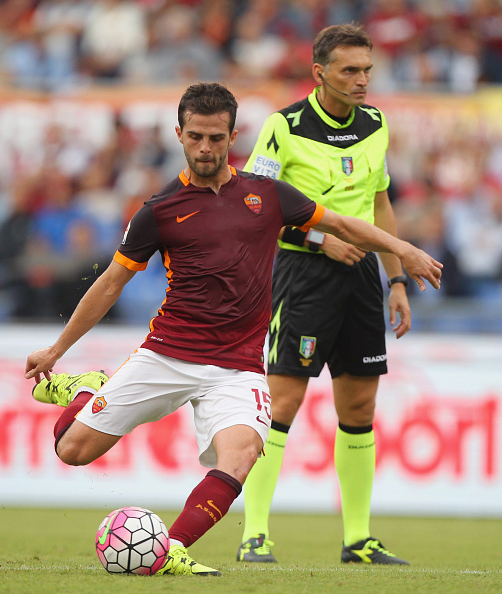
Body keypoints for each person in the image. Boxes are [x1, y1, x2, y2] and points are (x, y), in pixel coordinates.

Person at [25, 82, 442, 577]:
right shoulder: (159, 210)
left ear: (233, 137)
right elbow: (111, 283)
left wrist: (404, 250)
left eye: (216, 138)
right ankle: (86, 388)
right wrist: (57, 349)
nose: (206, 148)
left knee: (242, 454)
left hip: (237, 367)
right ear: (179, 134)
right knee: (72, 451)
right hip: (168, 353)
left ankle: (171, 549)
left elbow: (344, 225)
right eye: (196, 137)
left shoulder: (267, 194)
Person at [237, 23, 414, 566]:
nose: (362, 80)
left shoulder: (376, 124)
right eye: (350, 70)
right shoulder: (284, 126)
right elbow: (254, 208)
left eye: (367, 70)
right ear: (320, 73)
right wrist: (320, 239)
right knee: (283, 402)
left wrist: (396, 279)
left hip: (361, 277)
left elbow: (379, 204)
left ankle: (358, 539)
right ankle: (254, 534)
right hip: (302, 273)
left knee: (359, 405)